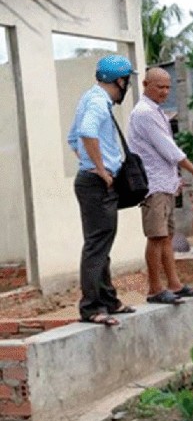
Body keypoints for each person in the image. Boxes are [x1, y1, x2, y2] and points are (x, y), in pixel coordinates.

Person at [127, 67, 193, 304]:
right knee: (156, 236)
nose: (164, 92)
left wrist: (175, 179)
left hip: (164, 183)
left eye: (167, 87)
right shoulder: (144, 113)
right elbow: (168, 149)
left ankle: (174, 284)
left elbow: (162, 152)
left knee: (166, 236)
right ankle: (155, 289)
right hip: (152, 186)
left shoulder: (156, 111)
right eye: (159, 87)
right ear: (145, 85)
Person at [67, 54, 138, 326]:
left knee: (101, 243)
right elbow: (85, 133)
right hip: (96, 183)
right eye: (127, 80)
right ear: (120, 80)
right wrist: (99, 168)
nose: (127, 85)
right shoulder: (98, 101)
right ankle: (92, 307)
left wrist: (89, 163)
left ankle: (108, 301)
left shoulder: (89, 98)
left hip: (90, 180)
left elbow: (72, 138)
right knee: (97, 246)